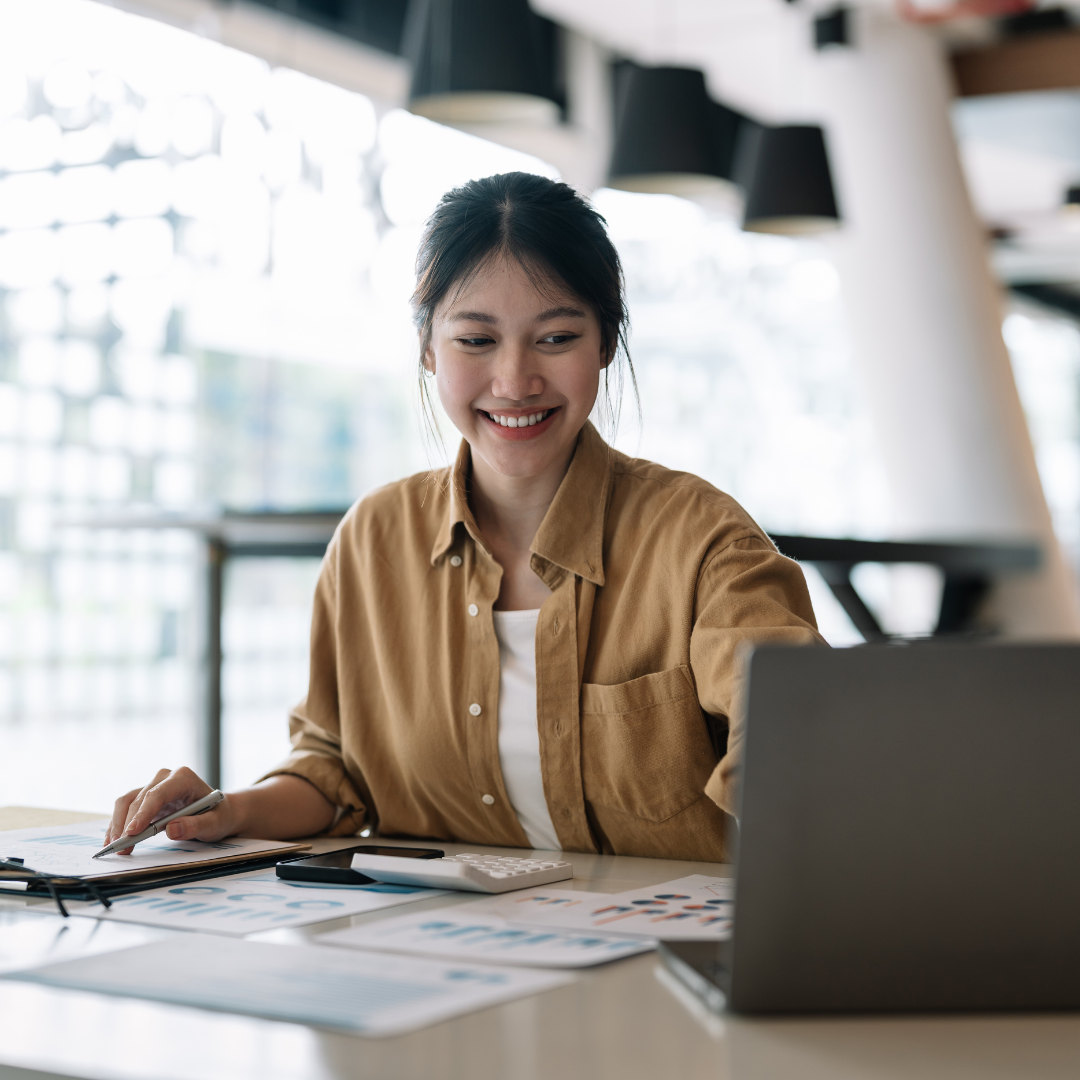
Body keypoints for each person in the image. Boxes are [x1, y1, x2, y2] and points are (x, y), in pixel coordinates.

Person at [107, 172, 823, 862]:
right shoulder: (371, 543)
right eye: (476, 340)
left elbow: (803, 731)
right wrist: (226, 810)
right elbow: (334, 773)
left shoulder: (701, 540)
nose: (514, 381)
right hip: (442, 955)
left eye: (556, 338)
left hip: (665, 954)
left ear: (605, 344)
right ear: (427, 347)